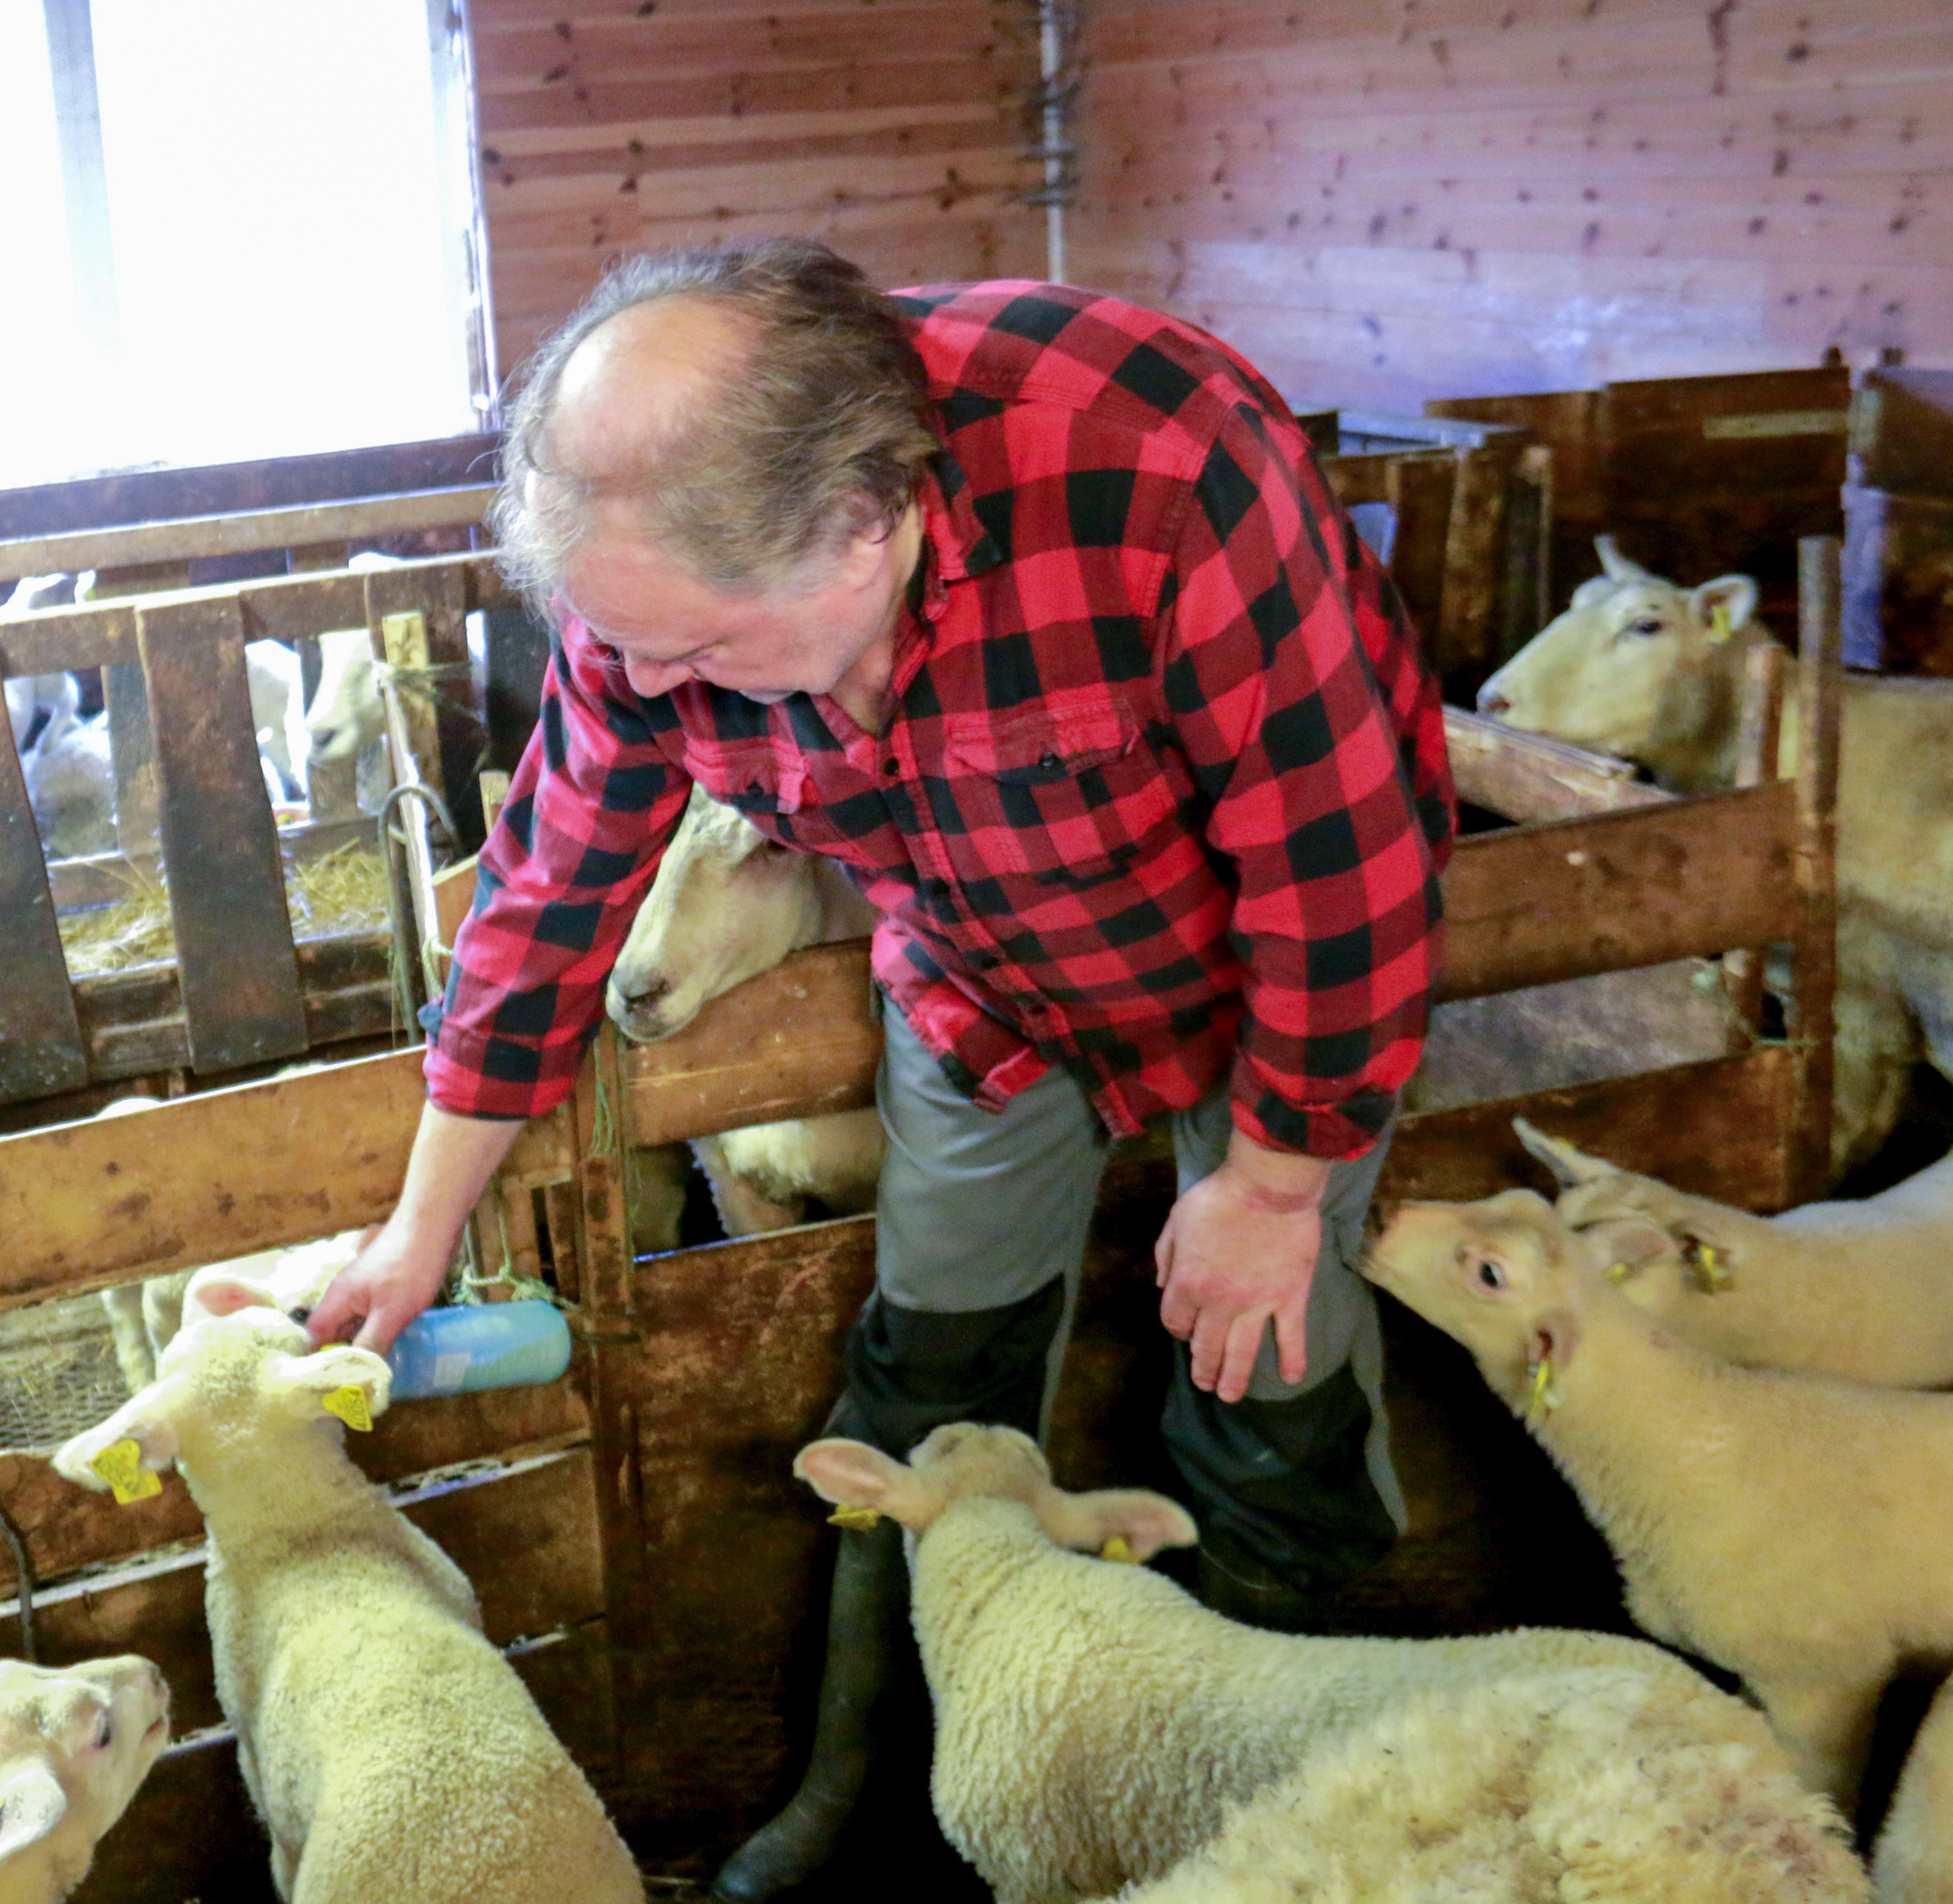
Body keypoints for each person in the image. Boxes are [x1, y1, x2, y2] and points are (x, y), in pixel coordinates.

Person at [306, 238, 1455, 1898]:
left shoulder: (1160, 460)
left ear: (871, 524)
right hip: (980, 981)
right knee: (925, 1366)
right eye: (619, 647)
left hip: (1263, 989)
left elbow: (1339, 869)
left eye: (694, 655)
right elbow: (548, 894)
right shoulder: (653, 589)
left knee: (1262, 1365)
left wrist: (1273, 1183)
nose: (643, 689)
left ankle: (1254, 1798)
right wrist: (422, 1228)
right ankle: (884, 1805)